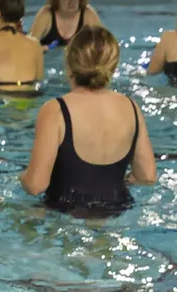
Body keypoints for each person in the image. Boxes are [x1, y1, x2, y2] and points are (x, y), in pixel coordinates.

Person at [20, 27, 156, 218]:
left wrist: (21, 178)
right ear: (113, 66)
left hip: (64, 215)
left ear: (69, 64)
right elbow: (147, 177)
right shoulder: (131, 107)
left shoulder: (56, 110)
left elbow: (36, 185)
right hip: (117, 211)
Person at [30, 0, 101, 50]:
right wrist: (39, 49)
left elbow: (104, 42)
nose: (71, 2)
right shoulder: (46, 14)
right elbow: (30, 44)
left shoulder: (87, 13)